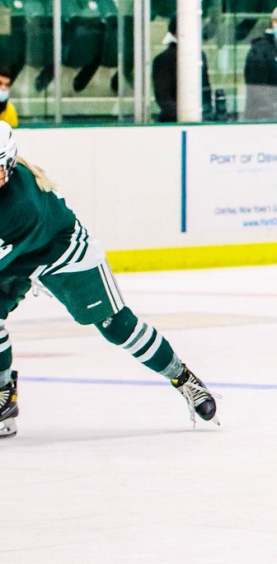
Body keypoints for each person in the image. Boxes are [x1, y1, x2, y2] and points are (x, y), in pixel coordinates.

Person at [0, 122, 218, 438]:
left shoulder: (21, 206)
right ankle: (4, 400)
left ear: (9, 164)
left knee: (117, 325)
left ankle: (184, 379)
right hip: (15, 252)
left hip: (61, 250)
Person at [151, 15, 211, 124]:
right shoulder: (163, 60)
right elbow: (163, 98)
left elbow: (206, 91)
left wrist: (204, 115)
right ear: (178, 31)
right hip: (171, 124)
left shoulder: (200, 56)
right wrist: (185, 117)